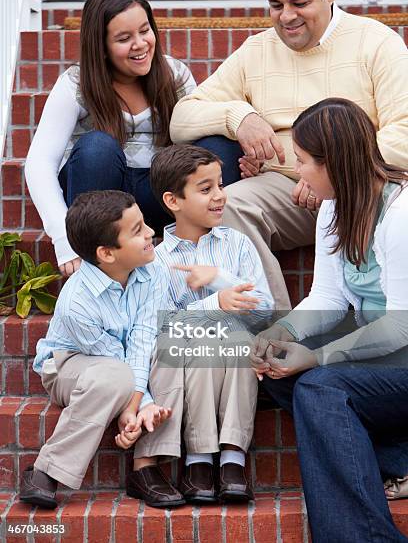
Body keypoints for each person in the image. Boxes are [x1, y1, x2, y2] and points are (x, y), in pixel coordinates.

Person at [169, 0, 408, 311]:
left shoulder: (377, 43)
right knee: (226, 205)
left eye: (300, 2)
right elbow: (181, 118)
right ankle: (273, 330)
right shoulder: (257, 50)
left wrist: (332, 170)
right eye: (275, 5)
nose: (286, 16)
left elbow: (404, 133)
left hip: (366, 188)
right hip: (286, 188)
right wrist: (239, 117)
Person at [250, 98, 408, 543]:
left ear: (334, 163)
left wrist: (318, 357)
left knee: (319, 385)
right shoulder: (333, 209)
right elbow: (329, 297)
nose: (298, 173)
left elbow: (400, 327)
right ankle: (399, 459)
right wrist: (280, 333)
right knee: (278, 372)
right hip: (387, 361)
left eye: (303, 162)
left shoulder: (400, 216)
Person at [19, 190, 185, 510]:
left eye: (144, 223)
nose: (151, 232)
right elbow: (115, 360)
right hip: (67, 363)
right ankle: (46, 471)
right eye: (137, 230)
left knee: (169, 349)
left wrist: (136, 407)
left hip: (122, 362)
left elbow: (142, 339)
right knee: (114, 377)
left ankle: (145, 467)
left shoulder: (153, 270)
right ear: (107, 254)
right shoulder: (77, 302)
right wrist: (138, 405)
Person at [130, 144, 274, 504]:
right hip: (187, 353)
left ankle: (232, 458)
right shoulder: (156, 260)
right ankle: (197, 459)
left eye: (221, 186)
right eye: (206, 189)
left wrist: (220, 279)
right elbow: (160, 328)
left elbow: (265, 309)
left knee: (238, 339)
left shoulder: (238, 245)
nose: (220, 197)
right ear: (173, 200)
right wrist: (216, 303)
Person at [25, 0, 196, 278]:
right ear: (101, 47)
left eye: (145, 30)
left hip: (156, 195)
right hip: (99, 192)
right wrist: (65, 239)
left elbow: (199, 142)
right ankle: (95, 273)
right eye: (124, 38)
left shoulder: (174, 75)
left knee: (214, 147)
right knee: (97, 147)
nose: (140, 44)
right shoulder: (77, 84)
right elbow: (39, 163)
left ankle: (205, 254)